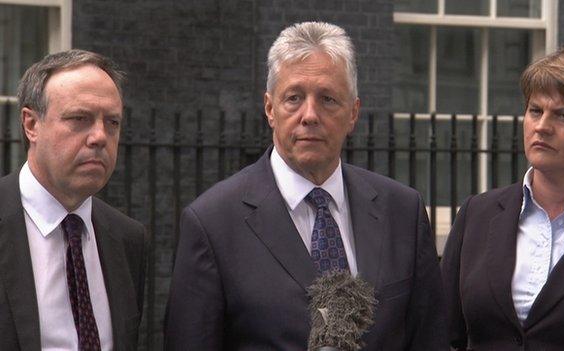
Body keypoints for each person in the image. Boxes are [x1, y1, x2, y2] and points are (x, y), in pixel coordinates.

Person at [165, 21, 447, 350]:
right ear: (270, 108)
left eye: (328, 99)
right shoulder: (212, 222)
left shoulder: (403, 211)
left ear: (353, 113)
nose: (309, 115)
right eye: (294, 98)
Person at [441, 45, 564, 350]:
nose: (542, 126)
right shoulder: (478, 213)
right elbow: (444, 333)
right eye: (535, 111)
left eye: (563, 116)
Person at [0, 49, 147, 350]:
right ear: (31, 125)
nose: (99, 137)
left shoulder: (128, 239)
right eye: (79, 118)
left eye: (112, 122)